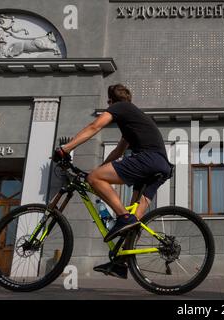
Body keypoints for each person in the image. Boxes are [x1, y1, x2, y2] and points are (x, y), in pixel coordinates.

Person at [53, 84, 172, 279]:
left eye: (109, 103)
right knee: (134, 221)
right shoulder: (132, 118)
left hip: (148, 160)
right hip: (161, 167)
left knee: (103, 189)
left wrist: (65, 149)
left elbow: (94, 126)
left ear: (111, 101)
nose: (109, 106)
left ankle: (123, 217)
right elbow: (118, 152)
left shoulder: (119, 107)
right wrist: (99, 170)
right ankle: (120, 263)